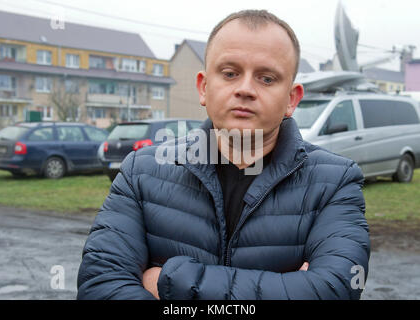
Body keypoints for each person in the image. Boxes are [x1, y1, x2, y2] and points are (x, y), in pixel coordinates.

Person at [77, 9, 370, 300]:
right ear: (204, 87)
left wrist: (171, 281)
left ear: (291, 99)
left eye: (267, 79)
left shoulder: (334, 182)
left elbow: (335, 290)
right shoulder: (141, 172)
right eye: (230, 74)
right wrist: (292, 287)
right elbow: (100, 287)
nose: (245, 89)